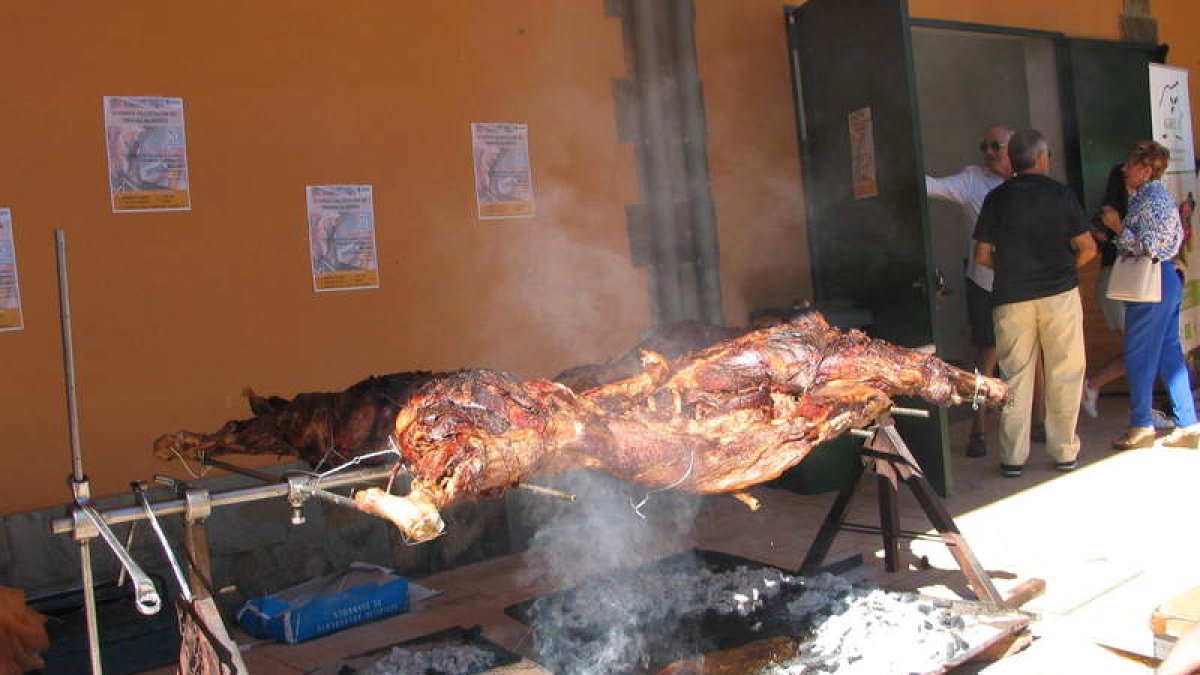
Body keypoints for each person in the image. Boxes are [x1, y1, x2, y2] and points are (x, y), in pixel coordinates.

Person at [973, 129, 1097, 477]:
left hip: (1011, 298)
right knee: (1065, 372)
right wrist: (1061, 271)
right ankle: (1064, 450)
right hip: (1059, 295)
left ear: (1012, 159)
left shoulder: (996, 199)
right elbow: (1088, 248)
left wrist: (1012, 270)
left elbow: (982, 255)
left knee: (1014, 376)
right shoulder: (1061, 194)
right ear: (1044, 159)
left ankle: (1013, 458)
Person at [927, 125, 1046, 457]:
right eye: (985, 147)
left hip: (1026, 282)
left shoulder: (1031, 182)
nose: (989, 153)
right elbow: (930, 187)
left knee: (1033, 353)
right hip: (986, 281)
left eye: (996, 146)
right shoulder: (971, 179)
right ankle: (978, 430)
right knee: (988, 354)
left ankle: (1039, 421)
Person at [1101, 140, 1200, 450]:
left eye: (1130, 164)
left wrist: (1117, 228)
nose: (1124, 169)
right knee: (1170, 352)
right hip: (1164, 280)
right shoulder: (1151, 197)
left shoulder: (1151, 199)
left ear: (1145, 170)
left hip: (1152, 283)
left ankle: (1141, 423)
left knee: (1138, 353)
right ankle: (1187, 423)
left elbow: (1150, 247)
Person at [1081, 163, 1175, 430]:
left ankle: (1129, 402)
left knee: (1141, 350)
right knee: (1140, 350)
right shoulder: (1116, 214)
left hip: (1123, 282)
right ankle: (1099, 388)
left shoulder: (1133, 207)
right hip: (1122, 283)